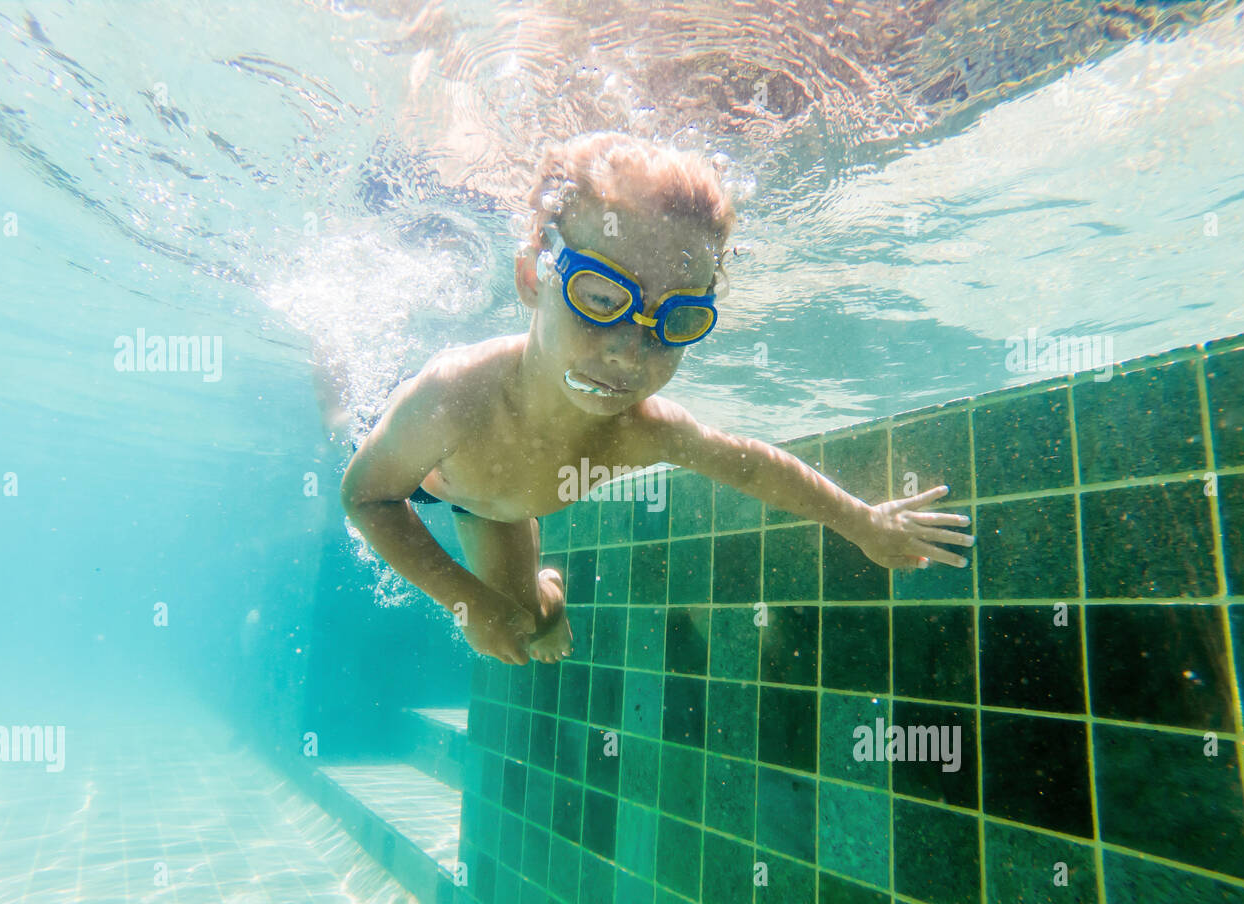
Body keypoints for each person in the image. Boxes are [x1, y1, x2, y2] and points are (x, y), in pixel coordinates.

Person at [340, 132, 973, 666]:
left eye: (677, 320)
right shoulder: (454, 395)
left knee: (528, 630)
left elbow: (751, 464)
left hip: (497, 509)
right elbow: (366, 496)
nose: (630, 351)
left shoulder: (643, 429)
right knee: (344, 420)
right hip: (428, 471)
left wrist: (864, 523)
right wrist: (465, 600)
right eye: (600, 296)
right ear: (533, 277)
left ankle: (546, 590)